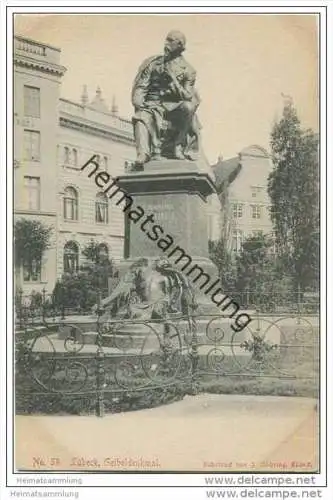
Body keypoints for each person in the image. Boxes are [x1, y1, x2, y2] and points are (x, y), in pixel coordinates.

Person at [131, 30, 201, 166]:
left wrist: (174, 81)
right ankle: (143, 154)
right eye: (166, 40)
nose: (165, 44)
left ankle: (178, 146)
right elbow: (142, 86)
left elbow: (187, 95)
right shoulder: (153, 63)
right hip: (152, 103)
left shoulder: (188, 70)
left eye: (170, 41)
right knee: (140, 116)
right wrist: (138, 102)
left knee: (188, 107)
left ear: (179, 45)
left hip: (173, 106)